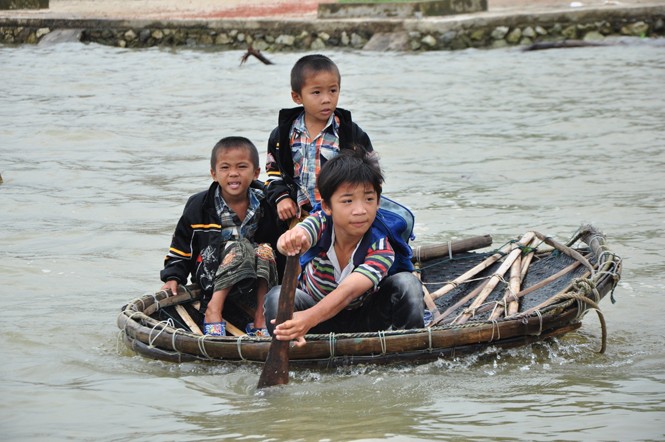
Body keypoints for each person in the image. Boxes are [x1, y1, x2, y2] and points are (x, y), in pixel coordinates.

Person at [263, 147, 424, 346]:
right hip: (313, 318)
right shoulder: (320, 223)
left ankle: (409, 352)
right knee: (277, 296)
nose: (360, 210)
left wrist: (308, 318)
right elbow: (297, 234)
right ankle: (292, 349)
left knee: (408, 283)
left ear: (378, 202)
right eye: (347, 201)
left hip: (365, 320)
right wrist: (288, 241)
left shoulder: (381, 245)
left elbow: (348, 291)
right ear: (327, 206)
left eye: (369, 199)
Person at [160, 136, 285, 336]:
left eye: (242, 167)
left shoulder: (267, 203)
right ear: (214, 174)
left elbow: (280, 245)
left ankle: (260, 317)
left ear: (256, 173)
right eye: (225, 168)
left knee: (265, 249)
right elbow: (182, 246)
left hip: (253, 280)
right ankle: (213, 309)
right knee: (240, 246)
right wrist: (173, 277)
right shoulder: (199, 205)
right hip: (212, 274)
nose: (233, 174)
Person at [265, 53, 373, 223]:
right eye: (316, 92)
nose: (326, 99)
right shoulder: (282, 136)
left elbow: (371, 174)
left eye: (333, 90)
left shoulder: (350, 134)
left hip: (341, 215)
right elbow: (274, 174)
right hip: (300, 215)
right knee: (290, 245)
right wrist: (282, 198)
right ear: (297, 97)